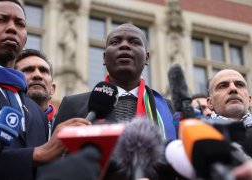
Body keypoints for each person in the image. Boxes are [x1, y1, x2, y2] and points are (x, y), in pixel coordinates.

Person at [0, 1, 90, 179]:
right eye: (1, 20)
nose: (12, 28)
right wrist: (36, 154)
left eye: (20, 24)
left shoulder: (35, 111)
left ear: (25, 38)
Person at [54, 23, 177, 179]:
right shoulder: (72, 105)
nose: (124, 45)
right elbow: (55, 164)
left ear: (146, 58)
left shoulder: (169, 110)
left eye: (134, 42)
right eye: (115, 42)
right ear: (104, 57)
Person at [15, 49, 56, 140]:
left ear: (52, 88)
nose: (37, 75)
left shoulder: (66, 129)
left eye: (43, 70)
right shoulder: (2, 120)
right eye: (28, 70)